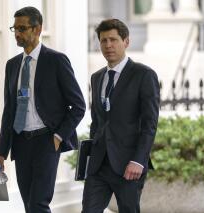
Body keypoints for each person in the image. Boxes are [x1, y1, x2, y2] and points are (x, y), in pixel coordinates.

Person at [0, 6, 86, 213]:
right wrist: (1, 153)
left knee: (38, 204)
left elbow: (78, 105)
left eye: (22, 28)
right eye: (14, 28)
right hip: (20, 142)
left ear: (37, 29)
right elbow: (9, 112)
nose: (17, 33)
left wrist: (59, 136)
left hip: (46, 141)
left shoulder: (56, 61)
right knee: (29, 204)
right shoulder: (12, 65)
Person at [82, 18, 160, 213]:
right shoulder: (97, 77)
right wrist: (90, 156)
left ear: (126, 42)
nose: (108, 45)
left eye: (113, 40)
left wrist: (138, 160)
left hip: (129, 164)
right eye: (103, 41)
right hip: (99, 165)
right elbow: (98, 121)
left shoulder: (144, 75)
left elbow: (150, 123)